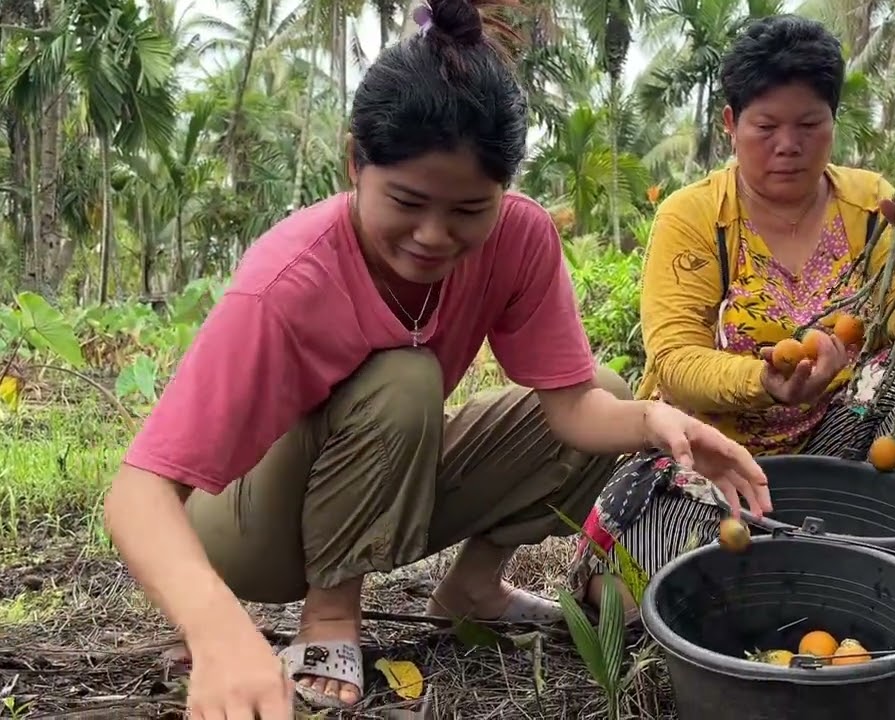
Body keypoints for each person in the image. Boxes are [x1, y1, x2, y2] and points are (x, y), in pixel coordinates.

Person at [99, 0, 771, 716]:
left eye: (468, 211)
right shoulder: (288, 280)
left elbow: (574, 411)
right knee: (404, 374)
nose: (433, 236)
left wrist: (660, 422)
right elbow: (137, 494)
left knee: (603, 387)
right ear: (356, 160)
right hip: (251, 529)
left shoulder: (520, 239)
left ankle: (473, 590)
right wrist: (217, 631)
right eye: (408, 201)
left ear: (503, 190)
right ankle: (330, 617)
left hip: (376, 484)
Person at [569, 13, 895, 613]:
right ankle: (827, 564)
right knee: (626, 590)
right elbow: (675, 361)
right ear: (731, 124)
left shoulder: (873, 208)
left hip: (843, 442)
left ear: (834, 123)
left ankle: (877, 538)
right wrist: (763, 382)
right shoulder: (694, 218)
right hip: (718, 458)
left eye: (810, 125)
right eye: (766, 127)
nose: (788, 145)